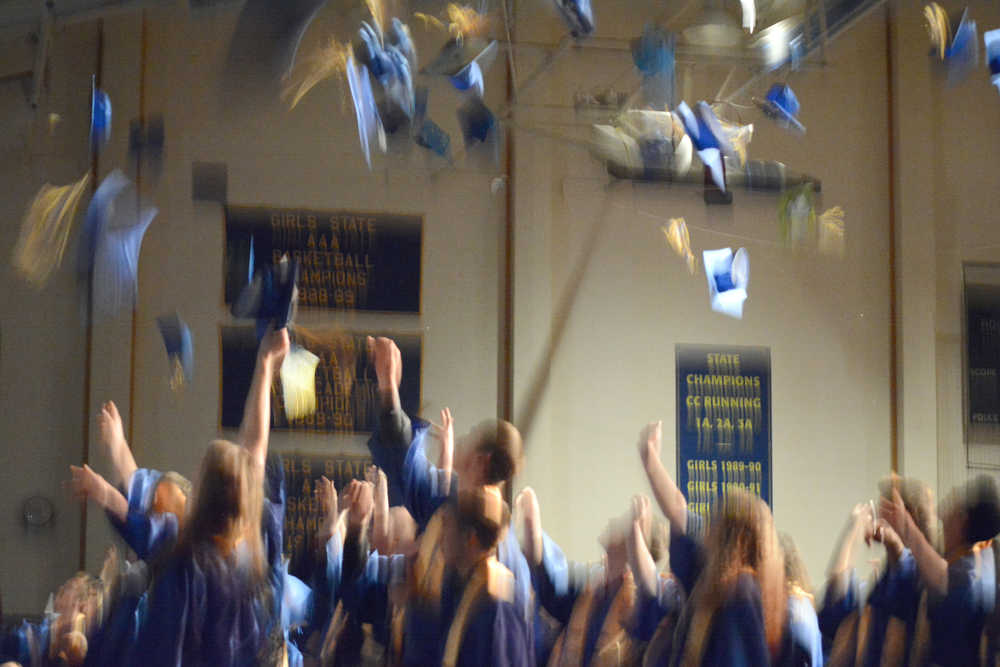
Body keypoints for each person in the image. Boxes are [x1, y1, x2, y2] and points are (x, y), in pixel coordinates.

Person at [126, 327, 290, 666]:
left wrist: (265, 365)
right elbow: (255, 452)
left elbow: (166, 654)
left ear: (204, 493)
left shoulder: (185, 565)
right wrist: (264, 366)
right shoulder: (249, 557)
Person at [364, 336, 538, 655]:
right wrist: (389, 389)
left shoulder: (497, 551)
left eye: (469, 438)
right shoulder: (449, 509)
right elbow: (406, 465)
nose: (461, 442)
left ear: (481, 460)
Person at [519, 485, 659, 666]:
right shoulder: (592, 587)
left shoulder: (636, 604)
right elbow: (553, 591)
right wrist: (533, 530)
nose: (615, 524)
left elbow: (648, 619)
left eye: (626, 529)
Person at [881, 474, 1000, 667]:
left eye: (951, 510)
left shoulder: (971, 574)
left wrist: (907, 527)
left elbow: (945, 581)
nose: (941, 516)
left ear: (962, 520)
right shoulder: (977, 561)